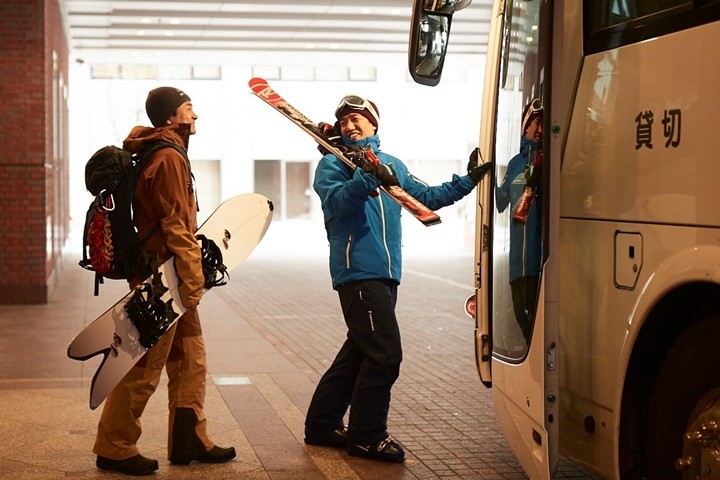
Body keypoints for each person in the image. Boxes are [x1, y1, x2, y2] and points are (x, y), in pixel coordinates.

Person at [304, 94, 492, 463]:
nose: (350, 126)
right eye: (343, 122)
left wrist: (468, 181)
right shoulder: (332, 165)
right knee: (385, 355)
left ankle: (322, 425)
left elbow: (425, 197)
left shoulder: (393, 164)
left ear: (374, 125)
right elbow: (338, 204)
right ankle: (367, 436)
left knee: (359, 351)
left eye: (358, 119)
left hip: (388, 274)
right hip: (357, 272)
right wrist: (364, 177)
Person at [93, 86, 236, 476]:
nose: (196, 115)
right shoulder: (169, 157)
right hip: (164, 274)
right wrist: (191, 281)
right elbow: (177, 225)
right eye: (189, 108)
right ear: (171, 116)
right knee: (143, 362)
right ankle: (115, 445)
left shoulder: (160, 151)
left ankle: (190, 437)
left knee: (190, 355)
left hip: (168, 269)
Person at [495, 98, 543, 342]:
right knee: (522, 321)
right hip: (517, 266)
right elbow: (501, 202)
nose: (540, 129)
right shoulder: (514, 164)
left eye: (543, 124)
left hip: (538, 264)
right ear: (525, 128)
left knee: (535, 327)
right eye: (536, 123)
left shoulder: (548, 161)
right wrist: (486, 176)